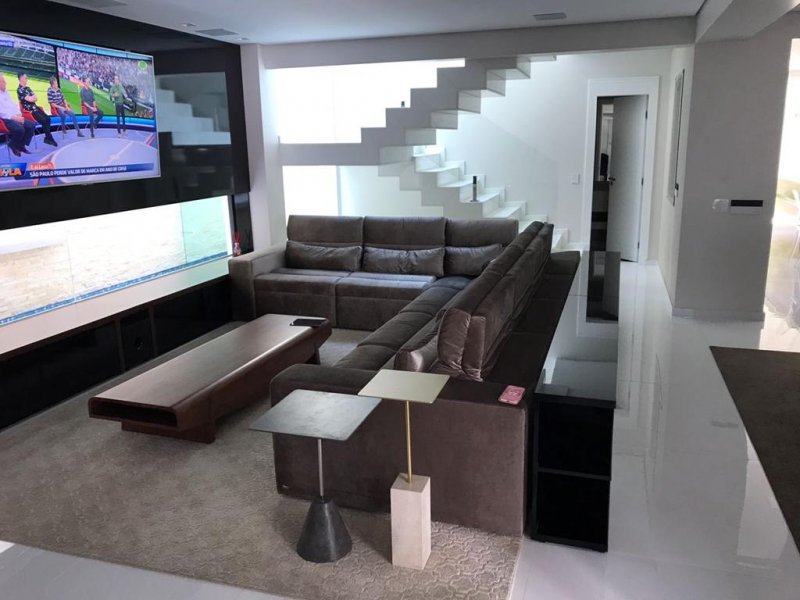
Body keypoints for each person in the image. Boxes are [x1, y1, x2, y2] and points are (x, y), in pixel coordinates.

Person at [17, 72, 57, 147]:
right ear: (21, 78)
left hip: (36, 108)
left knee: (48, 118)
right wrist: (32, 98)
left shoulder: (28, 88)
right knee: (44, 120)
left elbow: (36, 98)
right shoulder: (19, 90)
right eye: (26, 78)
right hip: (30, 111)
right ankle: (49, 138)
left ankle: (48, 138)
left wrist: (32, 98)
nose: (27, 79)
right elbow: (30, 99)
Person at [0, 73, 35, 157]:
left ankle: (21, 145)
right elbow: (1, 112)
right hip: (5, 119)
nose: (6, 83)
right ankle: (13, 145)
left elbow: (13, 104)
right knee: (20, 129)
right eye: (3, 82)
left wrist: (18, 114)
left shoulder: (6, 92)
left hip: (14, 115)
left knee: (31, 125)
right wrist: (14, 118)